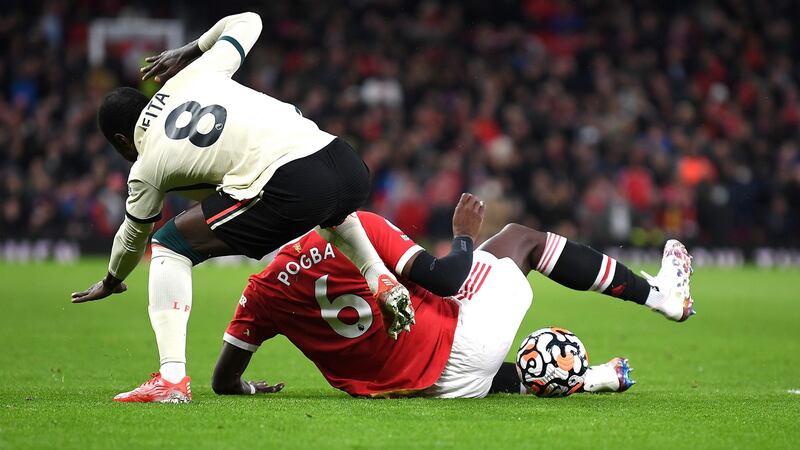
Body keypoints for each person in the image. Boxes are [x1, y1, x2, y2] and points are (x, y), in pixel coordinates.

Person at [69, 12, 414, 403]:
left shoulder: (147, 164)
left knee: (168, 246)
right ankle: (379, 277)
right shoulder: (193, 74)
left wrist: (112, 279)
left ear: (120, 140)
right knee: (329, 210)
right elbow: (249, 20)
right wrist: (191, 50)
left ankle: (171, 379)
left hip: (292, 180)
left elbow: (133, 238)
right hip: (344, 161)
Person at [211, 193, 694, 399]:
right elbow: (445, 279)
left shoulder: (260, 291)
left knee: (475, 280)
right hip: (460, 347)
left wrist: (245, 387)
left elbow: (223, 380)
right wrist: (462, 234)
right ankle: (662, 295)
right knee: (518, 240)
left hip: (416, 391)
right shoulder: (359, 229)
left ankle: (589, 378)